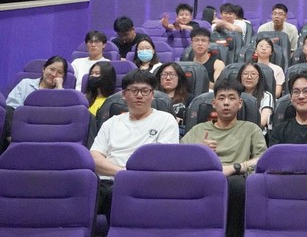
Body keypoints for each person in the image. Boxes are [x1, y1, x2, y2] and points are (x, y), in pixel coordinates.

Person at [181, 78, 266, 237]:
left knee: (237, 184)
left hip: (236, 179)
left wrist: (235, 167)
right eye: (221, 98)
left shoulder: (251, 129)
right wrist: (200, 151)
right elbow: (180, 159)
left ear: (240, 103)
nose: (226, 103)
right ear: (214, 103)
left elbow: (262, 160)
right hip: (203, 178)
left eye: (232, 98)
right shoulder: (198, 130)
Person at [90, 69, 179, 221]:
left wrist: (128, 176)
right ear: (124, 95)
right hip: (106, 181)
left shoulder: (166, 120)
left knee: (116, 192)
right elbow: (94, 158)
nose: (139, 95)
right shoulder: (111, 123)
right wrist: (122, 172)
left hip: (143, 182)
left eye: (145, 91)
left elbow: (163, 160)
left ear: (152, 94)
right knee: (83, 190)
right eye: (134, 91)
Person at [236, 62, 274, 130]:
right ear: (240, 76)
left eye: (253, 74)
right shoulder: (234, 94)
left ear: (259, 77)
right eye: (245, 74)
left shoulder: (266, 96)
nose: (249, 77)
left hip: (257, 132)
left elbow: (262, 122)